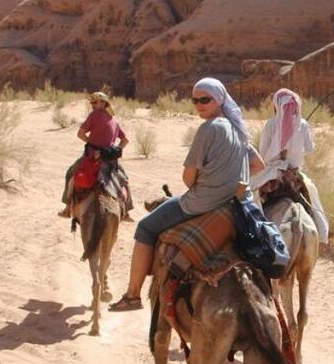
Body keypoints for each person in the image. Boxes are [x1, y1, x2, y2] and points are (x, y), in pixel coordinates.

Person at [108, 78, 264, 312]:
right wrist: (228, 178)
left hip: (201, 203)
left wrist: (210, 180)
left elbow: (188, 180)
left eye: (205, 99)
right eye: (195, 100)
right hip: (236, 203)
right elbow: (258, 165)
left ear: (219, 99)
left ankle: (133, 295)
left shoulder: (208, 128)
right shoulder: (238, 128)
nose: (199, 104)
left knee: (145, 227)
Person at [250, 88, 330, 242]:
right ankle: (322, 233)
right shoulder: (303, 124)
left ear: (277, 106)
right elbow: (310, 149)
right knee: (312, 196)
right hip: (294, 174)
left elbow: (263, 153)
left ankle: (255, 233)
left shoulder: (271, 124)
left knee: (250, 193)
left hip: (273, 172)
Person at [59, 91, 130, 217]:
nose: (92, 104)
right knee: (124, 180)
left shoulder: (94, 115)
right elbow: (125, 140)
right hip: (110, 160)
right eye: (92, 102)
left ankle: (67, 208)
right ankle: (128, 211)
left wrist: (91, 143)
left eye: (95, 102)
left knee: (70, 173)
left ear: (104, 103)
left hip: (92, 157)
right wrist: (114, 151)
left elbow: (80, 134)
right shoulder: (115, 120)